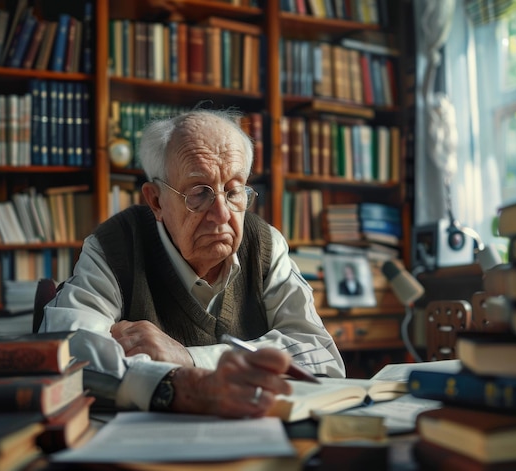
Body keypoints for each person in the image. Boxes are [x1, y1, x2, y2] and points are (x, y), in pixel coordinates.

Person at [39, 108, 345, 417]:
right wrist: (182, 387)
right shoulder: (114, 245)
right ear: (156, 200)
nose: (223, 214)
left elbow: (322, 357)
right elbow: (66, 352)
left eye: (234, 191)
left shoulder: (265, 244)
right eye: (200, 193)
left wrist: (190, 359)